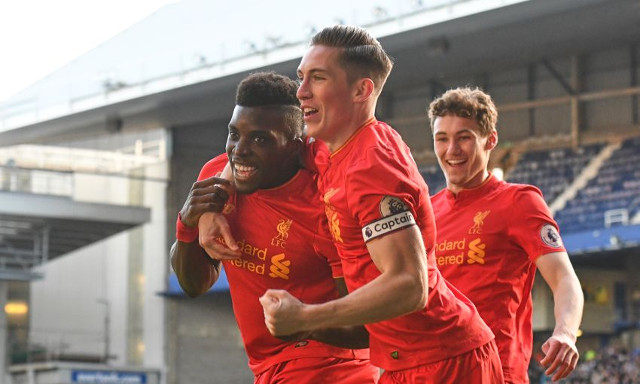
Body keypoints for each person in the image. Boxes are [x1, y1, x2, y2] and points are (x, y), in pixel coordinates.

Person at [257, 25, 504, 383]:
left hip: (446, 362)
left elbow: (409, 284)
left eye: (318, 78)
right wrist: (213, 196)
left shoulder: (371, 167)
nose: (301, 92)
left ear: (361, 90)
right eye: (301, 77)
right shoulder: (336, 145)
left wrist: (307, 317)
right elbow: (265, 154)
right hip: (402, 362)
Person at [170, 71, 378, 383]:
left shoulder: (327, 204)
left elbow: (365, 328)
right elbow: (194, 285)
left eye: (260, 139)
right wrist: (187, 223)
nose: (239, 149)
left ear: (297, 146)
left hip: (331, 366)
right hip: (267, 366)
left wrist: (302, 321)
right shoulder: (216, 178)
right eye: (234, 134)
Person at [427, 86, 584, 383]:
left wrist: (565, 333)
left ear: (491, 140)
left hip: (495, 372)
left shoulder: (519, 202)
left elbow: (564, 278)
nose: (452, 150)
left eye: (464, 137)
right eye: (442, 139)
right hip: (432, 372)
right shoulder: (428, 212)